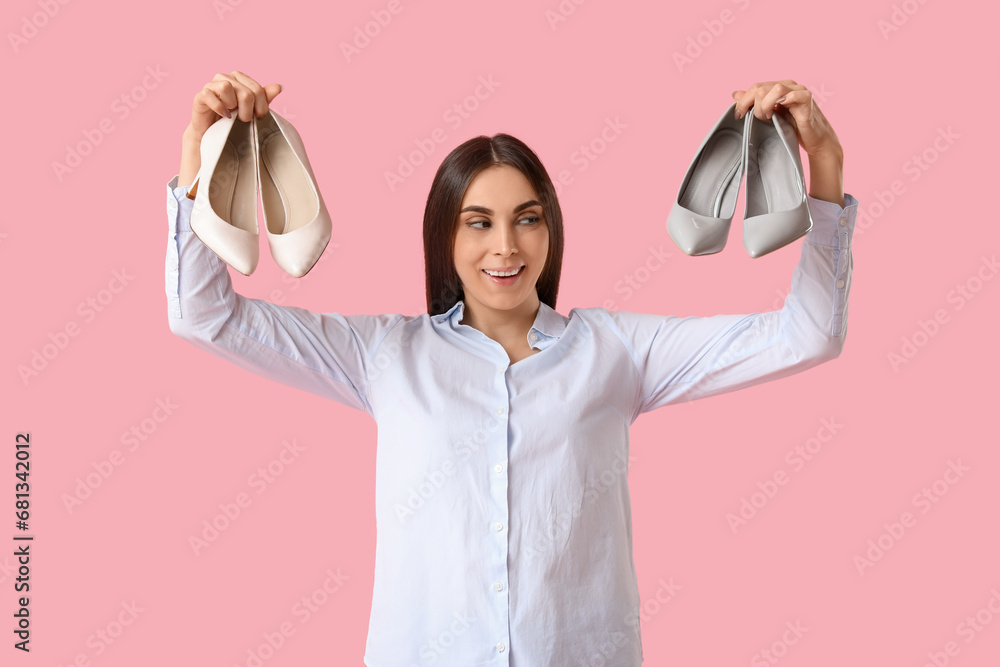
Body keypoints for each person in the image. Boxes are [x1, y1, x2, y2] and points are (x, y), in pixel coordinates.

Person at [165, 71, 858, 666]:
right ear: (444, 233)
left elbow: (806, 334)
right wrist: (199, 156)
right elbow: (206, 315)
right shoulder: (384, 355)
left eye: (527, 218)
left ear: (550, 228)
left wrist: (822, 162)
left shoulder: (615, 350)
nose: (505, 245)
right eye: (478, 221)